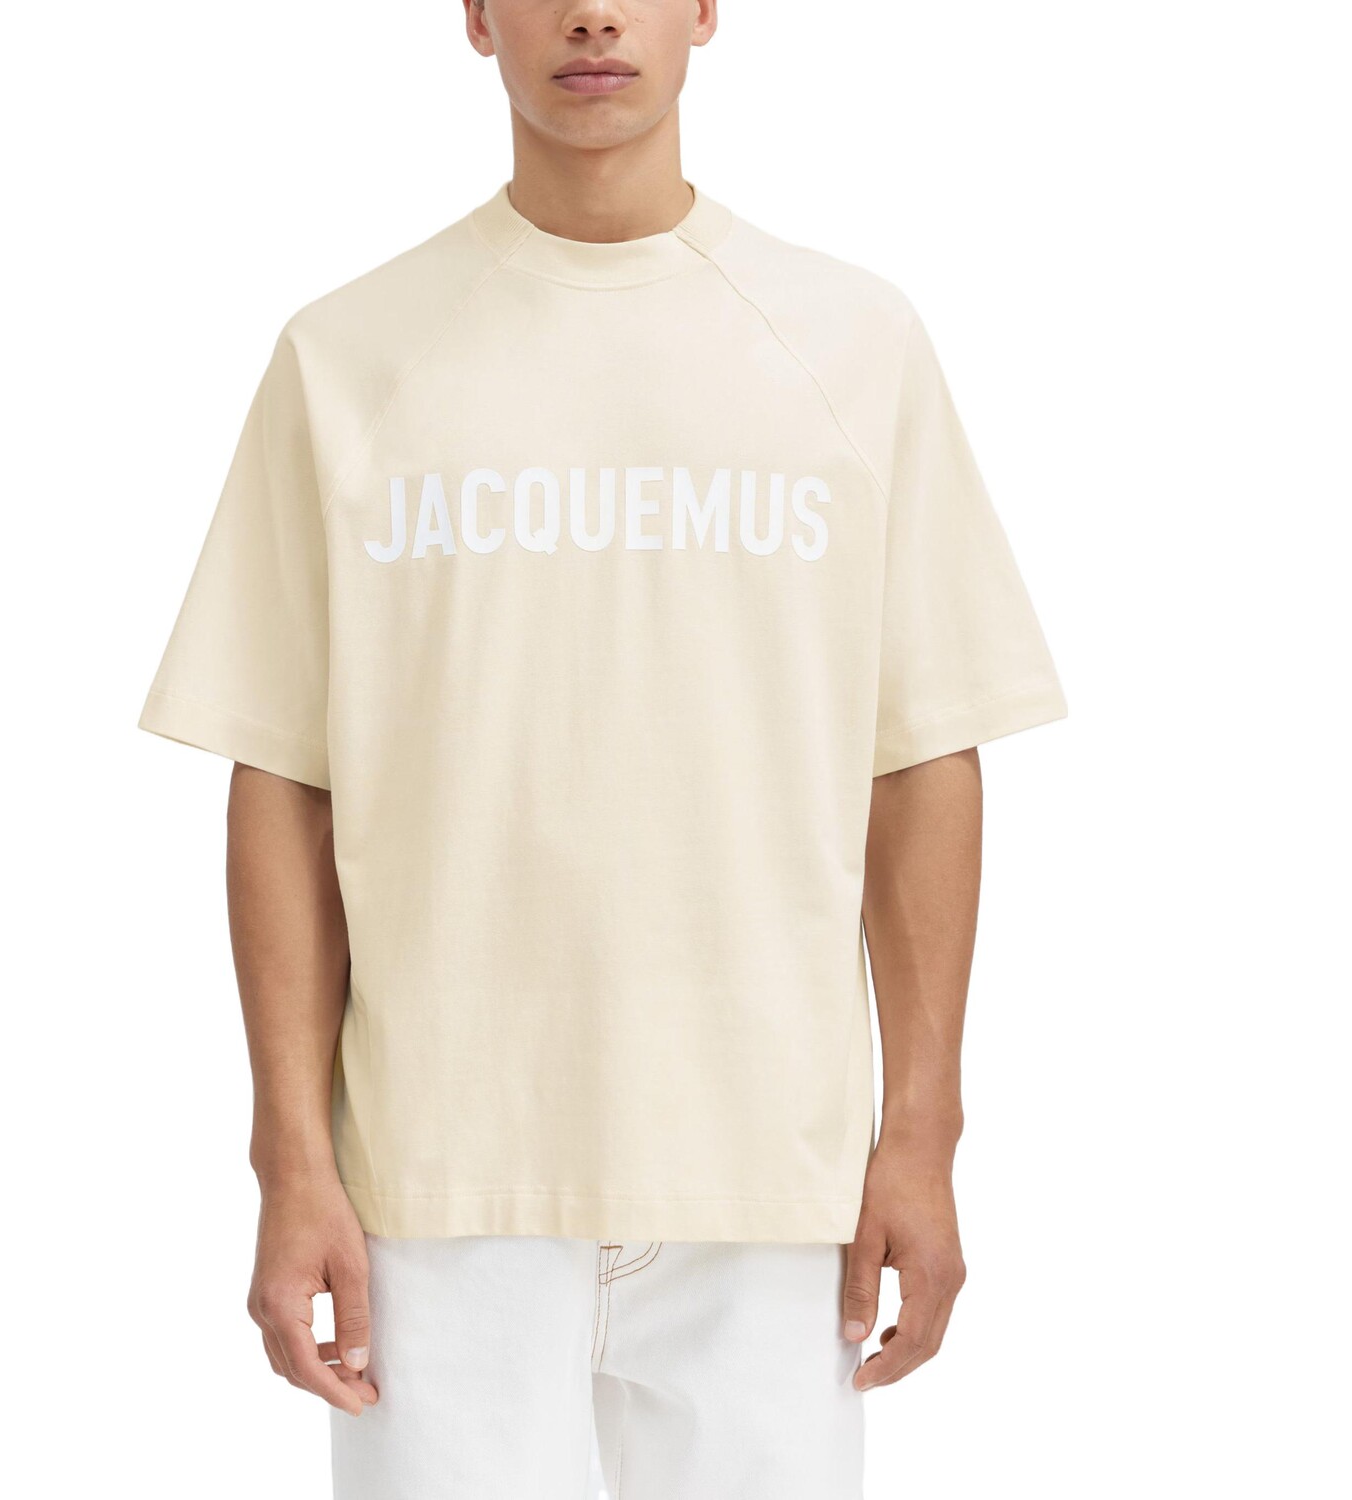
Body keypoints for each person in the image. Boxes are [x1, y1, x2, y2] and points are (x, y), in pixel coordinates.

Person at [139, 2, 1066, 1494]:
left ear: (704, 10)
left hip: (772, 1178)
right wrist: (289, 1160)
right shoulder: (350, 356)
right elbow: (283, 778)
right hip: (437, 1186)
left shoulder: (853, 343)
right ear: (475, 16)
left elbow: (921, 761)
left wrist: (924, 1134)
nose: (590, 13)